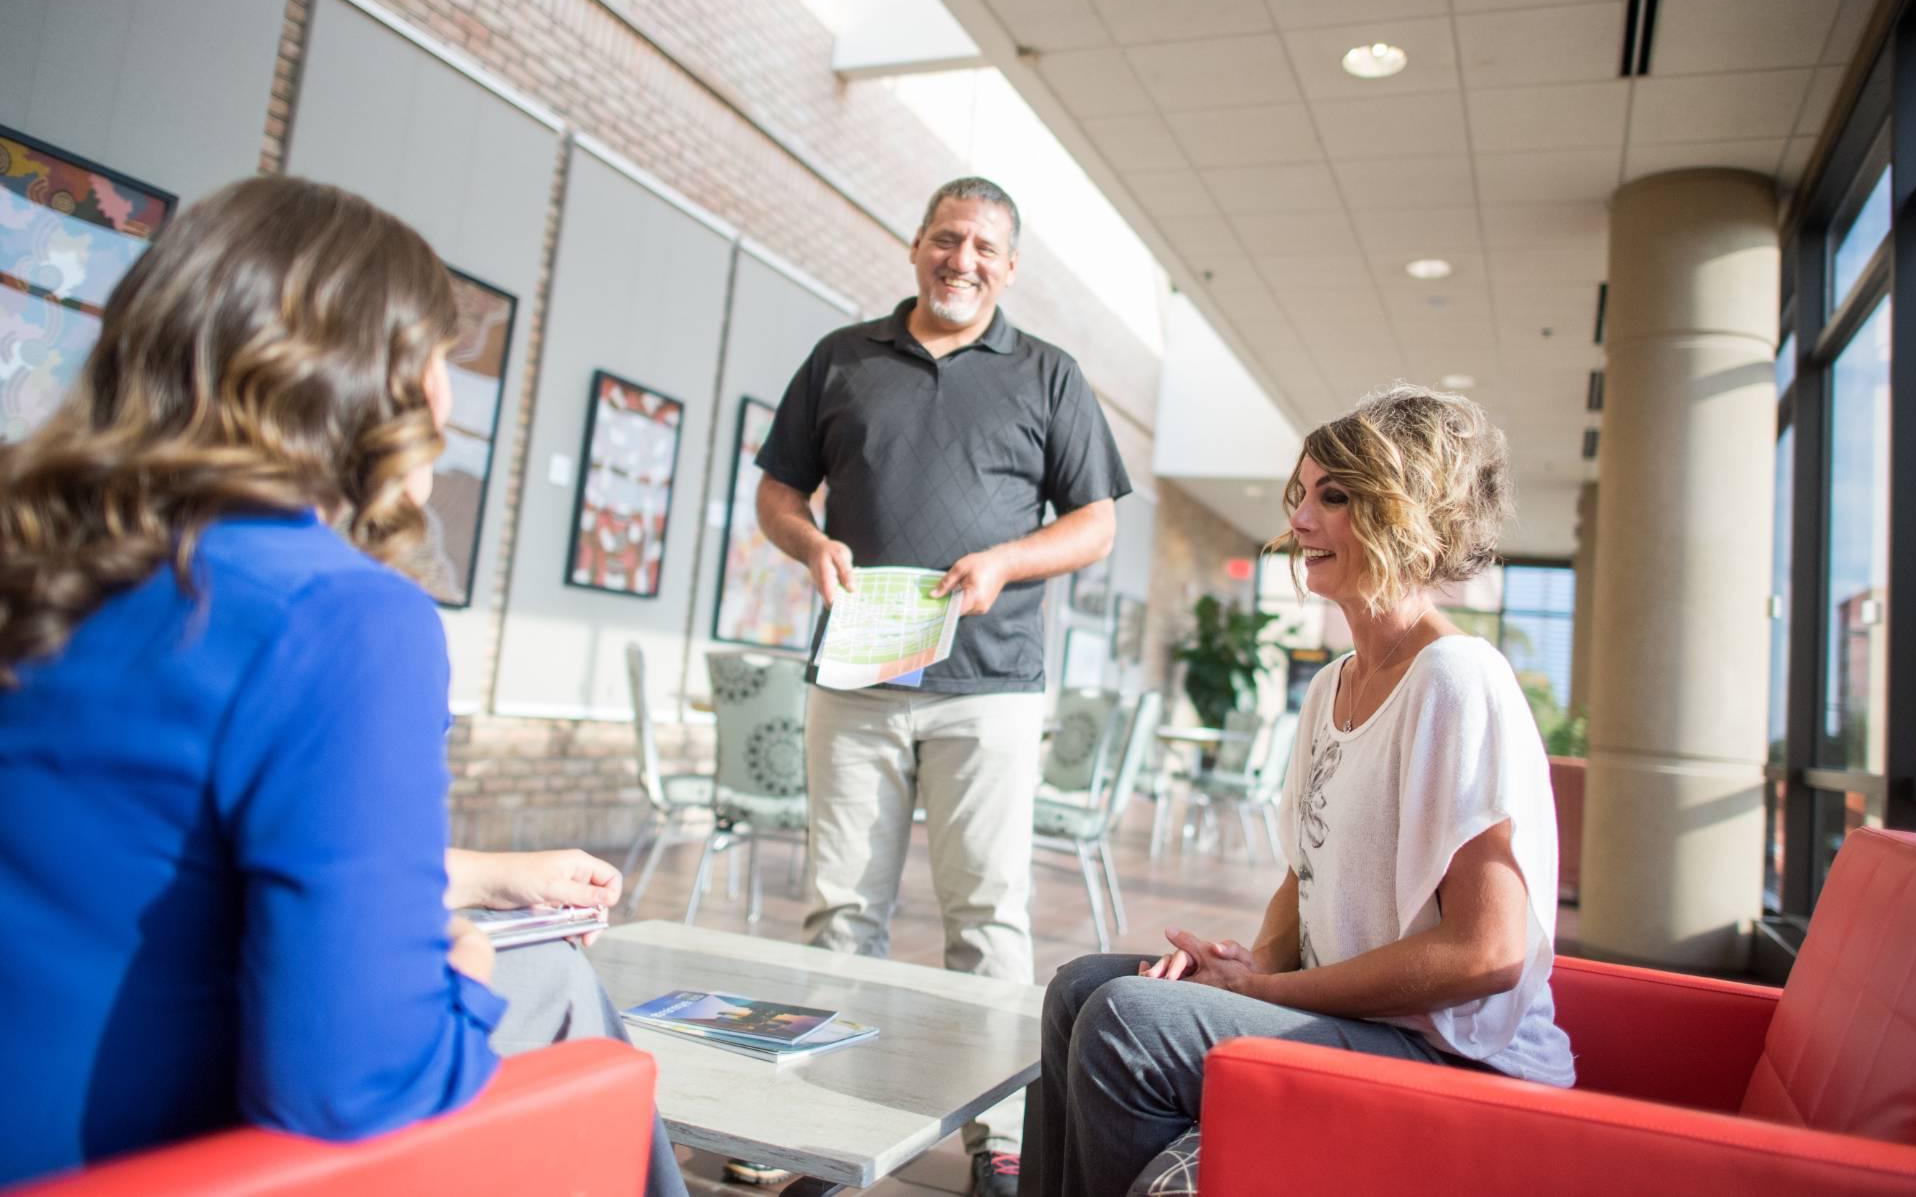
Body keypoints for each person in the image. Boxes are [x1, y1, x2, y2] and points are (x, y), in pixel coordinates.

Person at [0, 175, 684, 1197]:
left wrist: (484, 876)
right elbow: (349, 1082)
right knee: (553, 987)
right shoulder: (341, 616)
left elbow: (146, 848)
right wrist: (463, 975)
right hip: (147, 1160)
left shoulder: (46, 554)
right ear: (364, 379)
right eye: (439, 361)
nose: (448, 404)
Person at [1026, 385, 1576, 1197]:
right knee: (1082, 988)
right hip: (1359, 1026)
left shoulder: (1458, 679)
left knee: (1129, 1025)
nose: (1301, 522)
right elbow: (1303, 875)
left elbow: (1487, 950)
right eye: (1301, 496)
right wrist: (1250, 963)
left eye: (1334, 497)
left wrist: (1270, 992)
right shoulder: (1329, 688)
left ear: (1404, 513)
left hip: (1460, 1061)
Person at [754, 176, 1130, 1196]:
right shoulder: (842, 357)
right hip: (858, 673)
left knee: (988, 917)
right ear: (914, 246)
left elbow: (1095, 520)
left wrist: (1006, 560)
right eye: (944, 239)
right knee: (839, 909)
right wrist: (808, 544)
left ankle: (997, 1140)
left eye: (981, 248)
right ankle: (816, 1127)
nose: (960, 260)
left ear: (1008, 269)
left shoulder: (1046, 374)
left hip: (989, 683)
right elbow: (777, 492)